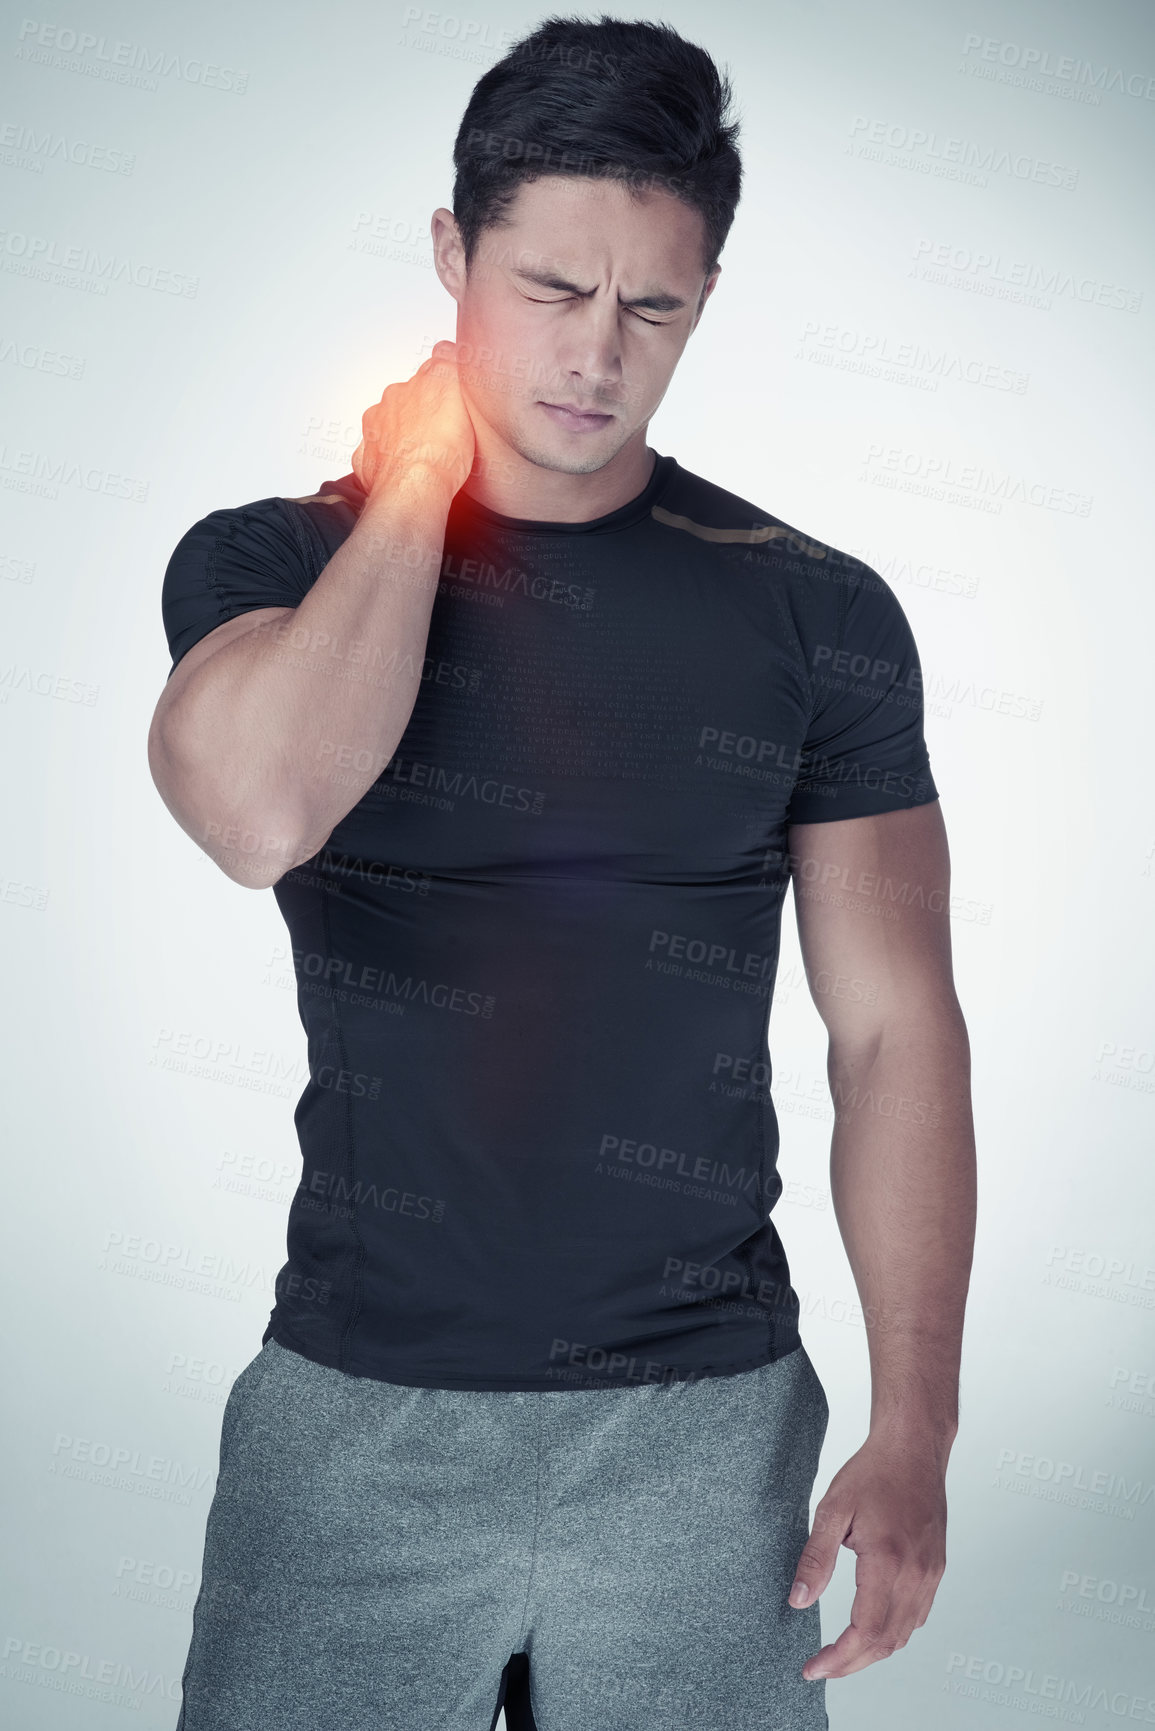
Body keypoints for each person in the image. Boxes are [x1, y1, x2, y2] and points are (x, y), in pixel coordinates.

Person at [148, 15, 976, 1731]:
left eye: (653, 306)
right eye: (549, 290)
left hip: (706, 1435)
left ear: (703, 303)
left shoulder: (814, 611)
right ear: (453, 256)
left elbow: (896, 1030)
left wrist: (916, 1431)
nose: (598, 354)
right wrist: (422, 487)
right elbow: (257, 814)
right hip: (356, 1418)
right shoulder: (274, 564)